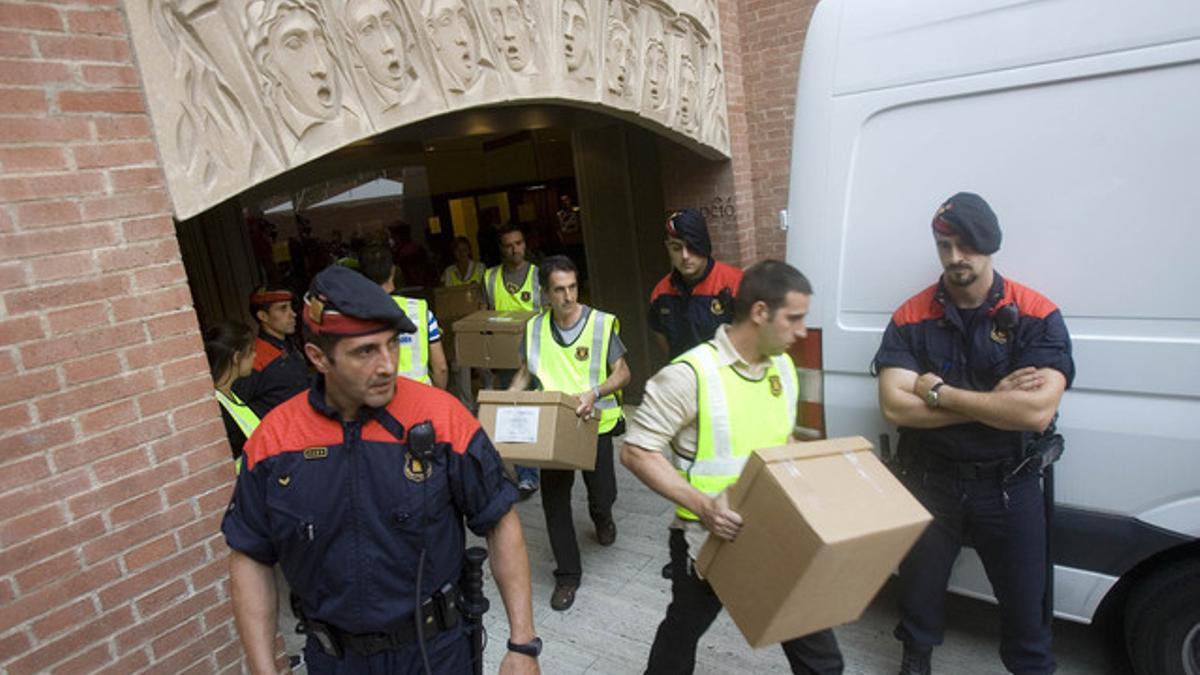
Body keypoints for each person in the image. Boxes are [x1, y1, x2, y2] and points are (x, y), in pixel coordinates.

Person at [222, 265, 541, 674]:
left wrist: (522, 643)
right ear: (318, 357)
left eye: (391, 344)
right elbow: (249, 555)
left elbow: (500, 520)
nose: (389, 364)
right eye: (365, 351)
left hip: (436, 654)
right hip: (335, 660)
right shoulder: (274, 440)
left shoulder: (441, 416)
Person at [873, 192, 1073, 675]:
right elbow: (896, 405)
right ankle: (915, 661)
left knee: (1027, 610)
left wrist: (941, 394)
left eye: (967, 246)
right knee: (918, 596)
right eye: (945, 245)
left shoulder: (1035, 312)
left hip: (1010, 484)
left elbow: (1035, 413)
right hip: (929, 481)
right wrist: (992, 402)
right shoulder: (910, 316)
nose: (956, 258)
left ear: (990, 246)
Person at [621, 260, 844, 674]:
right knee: (682, 633)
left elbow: (780, 441)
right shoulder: (690, 375)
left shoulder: (783, 368)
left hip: (775, 533)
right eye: (794, 318)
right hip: (708, 541)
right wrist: (705, 506)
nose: (801, 331)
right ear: (760, 312)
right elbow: (636, 451)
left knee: (823, 662)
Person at [508, 256, 630, 611]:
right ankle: (567, 576)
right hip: (554, 429)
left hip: (596, 424)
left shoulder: (601, 324)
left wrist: (596, 392)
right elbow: (523, 373)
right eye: (559, 290)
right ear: (545, 293)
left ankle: (602, 515)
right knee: (555, 503)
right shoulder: (533, 329)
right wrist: (512, 397)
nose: (568, 296)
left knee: (601, 494)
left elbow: (623, 373)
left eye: (573, 287)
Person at [484, 224, 542, 498]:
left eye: (518, 243)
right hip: (507, 359)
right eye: (508, 245)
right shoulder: (490, 277)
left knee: (540, 412)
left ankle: (547, 463)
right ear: (501, 248)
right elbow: (484, 316)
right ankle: (527, 475)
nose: (514, 249)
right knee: (518, 414)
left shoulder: (539, 275)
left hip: (538, 355)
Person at [648, 208, 744, 360]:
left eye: (692, 246)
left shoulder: (736, 284)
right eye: (676, 248)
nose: (685, 256)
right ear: (668, 248)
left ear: (704, 245)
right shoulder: (660, 293)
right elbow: (662, 339)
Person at [359, 244, 450, 389]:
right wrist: (438, 397)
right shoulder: (421, 311)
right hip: (422, 398)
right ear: (393, 271)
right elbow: (441, 368)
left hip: (381, 401)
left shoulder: (355, 315)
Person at [233, 286, 311, 419]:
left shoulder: (290, 345)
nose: (293, 314)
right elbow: (238, 406)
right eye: (283, 308)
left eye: (291, 307)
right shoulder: (254, 357)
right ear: (263, 316)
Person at [204, 320, 259, 473]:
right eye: (251, 350)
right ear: (236, 358)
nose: (255, 355)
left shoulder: (233, 394)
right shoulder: (215, 407)